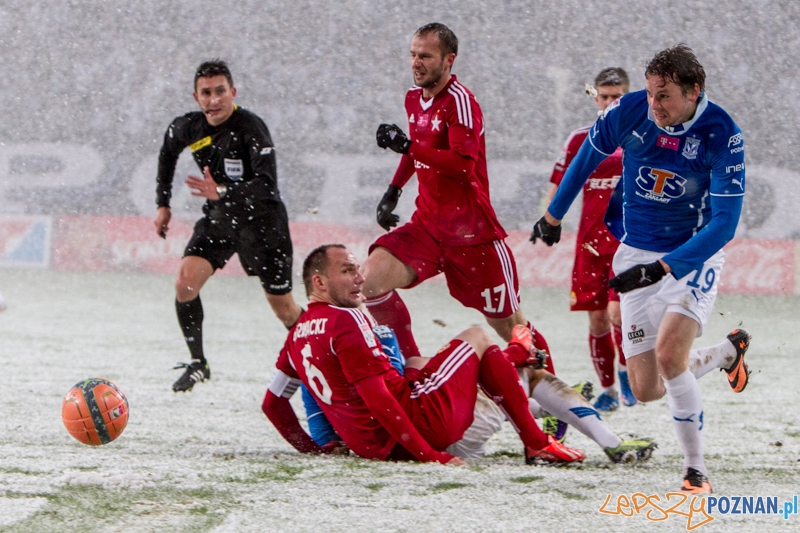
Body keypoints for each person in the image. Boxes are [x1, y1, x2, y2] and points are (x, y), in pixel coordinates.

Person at [531, 45, 751, 493]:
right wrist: (553, 216)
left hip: (694, 254)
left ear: (694, 92)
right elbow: (586, 158)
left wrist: (667, 268)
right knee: (649, 387)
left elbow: (725, 223)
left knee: (671, 356)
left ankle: (696, 471)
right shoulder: (631, 110)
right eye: (650, 93)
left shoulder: (722, 133)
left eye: (664, 95)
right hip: (635, 254)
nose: (653, 105)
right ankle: (727, 353)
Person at [262, 244, 656, 465]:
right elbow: (381, 396)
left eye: (360, 271)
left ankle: (531, 395)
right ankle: (560, 437)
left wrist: (316, 449)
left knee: (506, 366)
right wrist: (428, 455)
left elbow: (274, 403)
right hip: (420, 429)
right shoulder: (348, 323)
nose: (361, 279)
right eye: (349, 271)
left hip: (380, 436)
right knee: (505, 357)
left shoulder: (300, 332)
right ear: (320, 281)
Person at [366, 22, 555, 378]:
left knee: (512, 328)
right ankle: (412, 370)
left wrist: (407, 145)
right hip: (428, 225)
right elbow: (419, 150)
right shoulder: (413, 97)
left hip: (473, 236)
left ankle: (551, 404)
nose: (416, 62)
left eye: (425, 55)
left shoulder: (460, 102)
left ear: (449, 60)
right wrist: (393, 190)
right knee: (371, 280)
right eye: (413, 54)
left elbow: (462, 165)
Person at [154, 59, 302, 392]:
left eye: (220, 91)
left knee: (286, 311)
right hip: (222, 219)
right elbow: (167, 151)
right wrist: (162, 204)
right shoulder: (189, 128)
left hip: (264, 224)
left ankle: (319, 360)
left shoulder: (251, 128)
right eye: (206, 93)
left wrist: (221, 190)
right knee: (184, 285)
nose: (214, 99)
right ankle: (198, 363)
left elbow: (267, 186)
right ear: (196, 97)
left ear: (232, 92)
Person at [545, 67, 635, 412]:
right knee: (596, 319)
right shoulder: (579, 139)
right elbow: (558, 188)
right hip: (589, 245)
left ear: (628, 98)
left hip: (627, 244)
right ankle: (609, 390)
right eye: (605, 96)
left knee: (617, 315)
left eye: (618, 97)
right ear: (595, 97)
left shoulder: (640, 136)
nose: (610, 102)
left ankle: (628, 376)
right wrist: (548, 220)